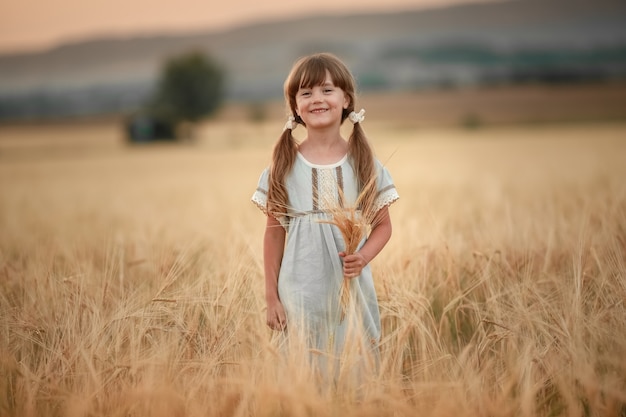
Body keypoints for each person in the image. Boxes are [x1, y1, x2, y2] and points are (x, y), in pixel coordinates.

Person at [251, 53, 399, 373]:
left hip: (352, 295)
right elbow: (274, 232)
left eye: (326, 90)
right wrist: (271, 297)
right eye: (306, 93)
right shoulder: (284, 167)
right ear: (295, 107)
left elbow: (384, 226)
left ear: (346, 99)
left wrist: (363, 256)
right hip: (299, 297)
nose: (317, 99)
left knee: (355, 374)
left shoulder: (364, 163)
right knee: (304, 376)